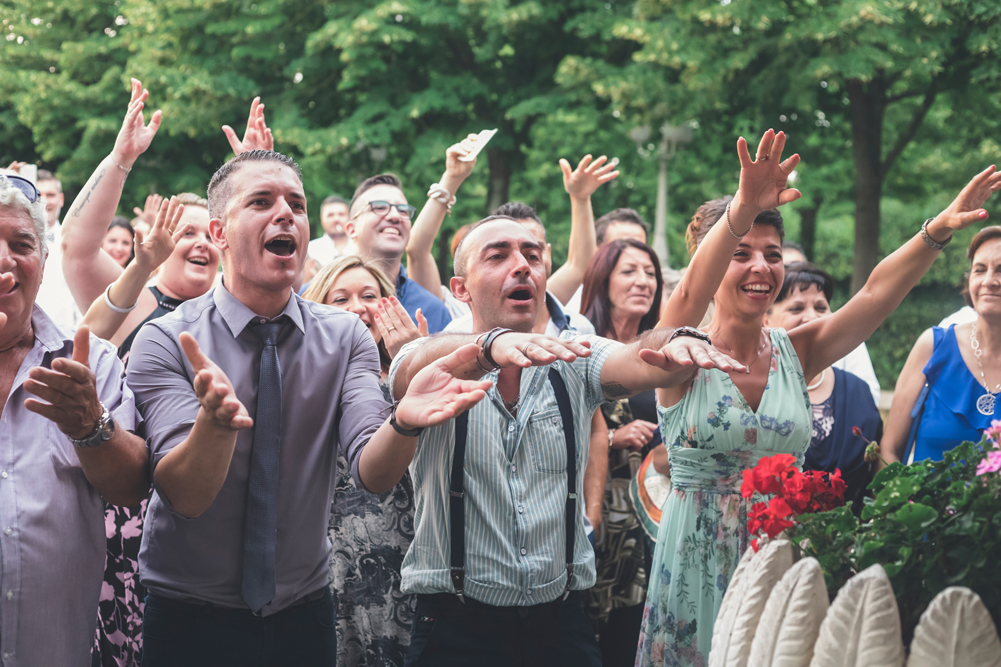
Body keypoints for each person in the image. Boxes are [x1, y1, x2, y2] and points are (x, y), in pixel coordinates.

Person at [635, 129, 1001, 667]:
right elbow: (689, 294)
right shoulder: (680, 351)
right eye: (741, 254)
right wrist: (742, 206)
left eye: (772, 254)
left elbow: (875, 294)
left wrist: (936, 231)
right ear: (710, 265)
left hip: (781, 560)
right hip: (693, 565)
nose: (762, 267)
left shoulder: (797, 352)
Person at [126, 148, 491, 666]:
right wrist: (214, 426)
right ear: (219, 233)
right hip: (189, 616)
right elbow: (183, 496)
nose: (286, 214)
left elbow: (373, 469)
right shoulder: (166, 340)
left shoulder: (344, 337)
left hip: (303, 615)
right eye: (261, 201)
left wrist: (405, 421)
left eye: (297, 204)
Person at [387, 214, 744, 666]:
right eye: (498, 256)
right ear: (460, 289)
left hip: (559, 626)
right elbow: (407, 367)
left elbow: (640, 357)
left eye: (533, 255)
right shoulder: (431, 359)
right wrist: (487, 346)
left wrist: (676, 338)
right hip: (454, 629)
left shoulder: (575, 356)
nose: (522, 265)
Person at [0, 172, 148, 666]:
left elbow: (129, 488)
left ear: (43, 262)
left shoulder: (91, 362)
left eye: (21, 243)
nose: (4, 260)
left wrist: (92, 427)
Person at [302, 255, 426, 667]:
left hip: (411, 551)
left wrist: (415, 361)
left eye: (369, 295)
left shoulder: (417, 375)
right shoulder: (305, 377)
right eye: (341, 298)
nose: (358, 306)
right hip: (335, 555)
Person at [60, 81, 226, 361]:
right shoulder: (131, 298)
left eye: (210, 237)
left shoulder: (235, 305)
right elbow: (76, 247)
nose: (202, 243)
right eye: (187, 233)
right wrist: (121, 159)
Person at [577, 238, 668, 665]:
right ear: (602, 279)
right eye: (629, 271)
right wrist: (613, 439)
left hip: (652, 519)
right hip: (596, 515)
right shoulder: (581, 345)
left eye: (650, 272)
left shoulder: (666, 350)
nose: (643, 281)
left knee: (636, 633)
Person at [763, 262, 881, 513]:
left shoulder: (858, 392)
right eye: (796, 308)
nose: (812, 317)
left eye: (821, 307)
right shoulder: (753, 389)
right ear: (765, 319)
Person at [884, 225, 1001, 465]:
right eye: (980, 270)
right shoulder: (933, 346)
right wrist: (901, 502)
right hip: (920, 503)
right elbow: (889, 449)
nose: (989, 281)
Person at [344, 172, 453, 333]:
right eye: (379, 207)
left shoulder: (432, 309)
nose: (395, 216)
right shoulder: (314, 297)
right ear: (352, 229)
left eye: (403, 211)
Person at [779, 241, 881, 404]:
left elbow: (868, 397)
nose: (811, 316)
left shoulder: (844, 334)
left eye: (798, 267)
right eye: (784, 270)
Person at [564, 207, 649, 316]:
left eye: (639, 247)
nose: (631, 254)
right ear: (597, 250)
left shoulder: (653, 301)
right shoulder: (569, 302)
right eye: (620, 246)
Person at [31, 168, 82, 329]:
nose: (45, 201)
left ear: (61, 199)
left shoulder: (77, 242)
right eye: (39, 195)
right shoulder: (14, 243)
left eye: (50, 195)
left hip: (66, 336)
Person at [307, 195, 352, 268]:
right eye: (330, 215)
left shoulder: (362, 247)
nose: (336, 219)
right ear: (321, 218)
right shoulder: (310, 251)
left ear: (349, 217)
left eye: (341, 214)